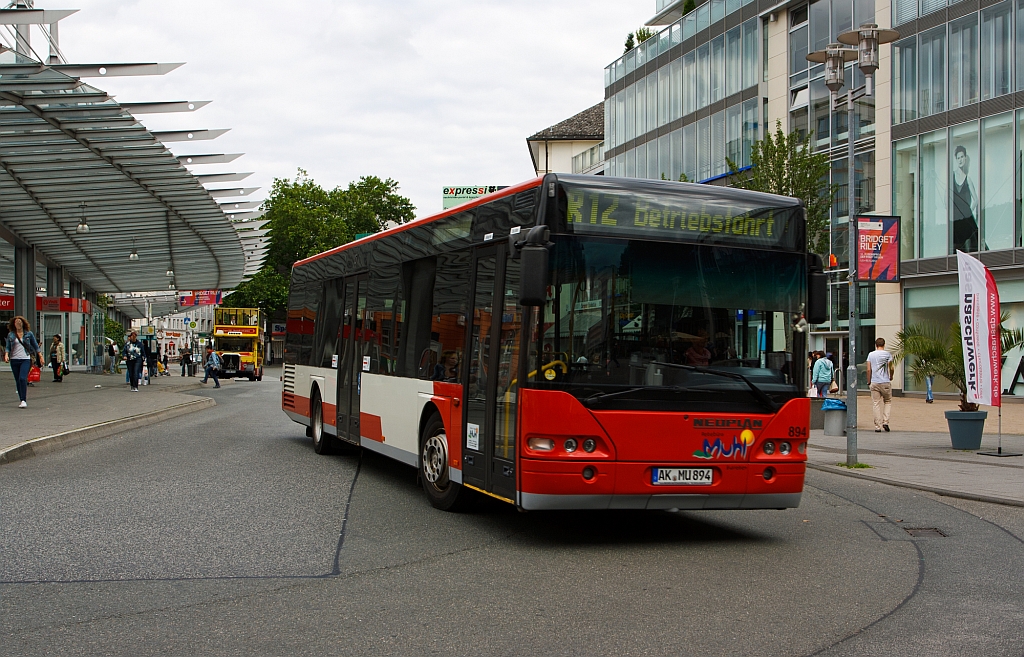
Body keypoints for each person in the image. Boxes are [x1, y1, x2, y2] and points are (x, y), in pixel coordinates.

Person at [4, 316, 42, 408]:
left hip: (25, 358)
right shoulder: (11, 335)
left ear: (23, 323)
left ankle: (24, 400)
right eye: (16, 322)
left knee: (22, 378)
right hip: (14, 359)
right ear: (14, 324)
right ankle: (21, 399)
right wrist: (6, 355)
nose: (18, 323)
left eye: (20, 322)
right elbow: (8, 346)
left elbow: (35, 345)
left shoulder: (29, 334)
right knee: (18, 380)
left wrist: (40, 356)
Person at [952, 144, 980, 252]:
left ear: (965, 158)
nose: (960, 160)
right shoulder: (952, 177)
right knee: (957, 247)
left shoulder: (968, 179)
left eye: (962, 157)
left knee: (970, 246)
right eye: (958, 158)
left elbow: (976, 199)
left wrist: (968, 212)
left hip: (965, 219)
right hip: (956, 220)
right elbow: (946, 199)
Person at [866, 337, 894, 433]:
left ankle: (877, 426)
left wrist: (869, 380)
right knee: (888, 401)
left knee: (876, 403)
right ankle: (885, 422)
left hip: (874, 382)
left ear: (876, 345)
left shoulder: (871, 355)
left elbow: (869, 369)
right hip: (885, 381)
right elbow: (892, 367)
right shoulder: (887, 355)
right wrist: (891, 376)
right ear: (884, 344)